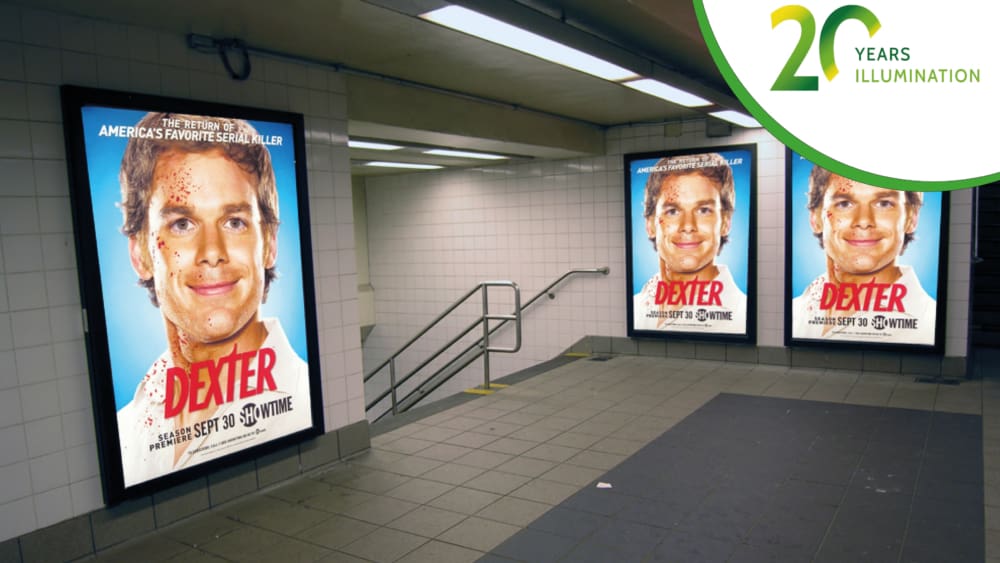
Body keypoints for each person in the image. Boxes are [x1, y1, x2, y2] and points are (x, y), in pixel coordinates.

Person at [115, 112, 311, 486]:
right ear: (140, 253)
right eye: (182, 224)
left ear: (268, 243)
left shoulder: (303, 398)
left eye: (234, 222)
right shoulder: (126, 430)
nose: (212, 252)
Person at [791, 166, 935, 343]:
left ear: (911, 218)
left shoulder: (929, 324)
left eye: (884, 203)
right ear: (815, 219)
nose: (864, 221)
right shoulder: (794, 312)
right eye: (844, 204)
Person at [633, 152, 747, 334]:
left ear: (725, 223)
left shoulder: (742, 315)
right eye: (672, 211)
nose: (688, 226)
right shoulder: (635, 306)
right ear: (650, 224)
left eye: (703, 210)